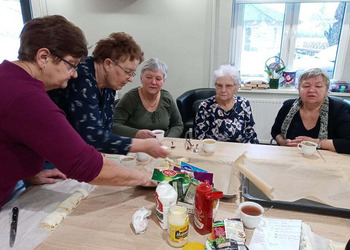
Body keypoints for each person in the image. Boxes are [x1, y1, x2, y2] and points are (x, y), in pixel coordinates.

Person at [0, 15, 168, 210]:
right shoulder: (26, 96)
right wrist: (145, 178)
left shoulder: (9, 77)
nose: (75, 74)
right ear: (43, 57)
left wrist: (28, 172)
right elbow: (84, 163)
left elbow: (14, 139)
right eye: (71, 64)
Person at [48, 33, 168, 156]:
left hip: (75, 152)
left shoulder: (109, 84)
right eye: (128, 72)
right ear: (108, 64)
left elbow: (107, 127)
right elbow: (92, 136)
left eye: (132, 73)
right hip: (53, 152)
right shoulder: (82, 78)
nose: (130, 79)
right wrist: (143, 145)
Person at [271, 68, 350, 154]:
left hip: (326, 161)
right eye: (306, 86)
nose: (311, 90)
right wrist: (282, 142)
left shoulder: (338, 110)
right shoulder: (288, 106)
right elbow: (275, 131)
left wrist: (316, 142)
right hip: (290, 156)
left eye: (318, 86)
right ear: (299, 89)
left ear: (327, 90)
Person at [113, 58, 183, 138]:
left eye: (158, 79)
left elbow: (178, 125)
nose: (153, 82)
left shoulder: (167, 98)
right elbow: (114, 126)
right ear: (141, 78)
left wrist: (168, 139)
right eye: (149, 77)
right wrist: (137, 133)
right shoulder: (130, 98)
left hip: (163, 145)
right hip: (137, 145)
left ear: (163, 81)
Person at [195, 64, 258, 143]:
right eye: (219, 85)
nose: (223, 90)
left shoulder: (244, 104)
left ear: (236, 88)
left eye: (228, 86)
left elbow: (250, 133)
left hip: (239, 150)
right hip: (213, 151)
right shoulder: (205, 106)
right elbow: (200, 137)